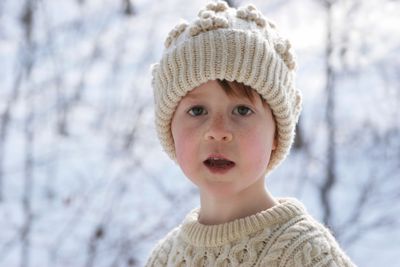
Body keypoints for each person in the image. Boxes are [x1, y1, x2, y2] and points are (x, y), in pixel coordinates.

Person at [146, 1, 356, 266]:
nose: (218, 132)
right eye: (197, 110)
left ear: (276, 135)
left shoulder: (305, 254)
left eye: (242, 111)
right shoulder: (164, 258)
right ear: (169, 131)